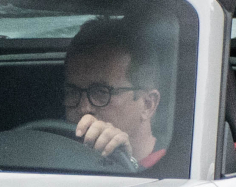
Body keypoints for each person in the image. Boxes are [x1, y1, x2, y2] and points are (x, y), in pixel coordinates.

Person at [62, 16, 171, 171]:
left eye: (101, 92)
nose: (84, 108)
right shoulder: (58, 156)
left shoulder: (172, 169)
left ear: (148, 105)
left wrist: (128, 163)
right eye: (73, 92)